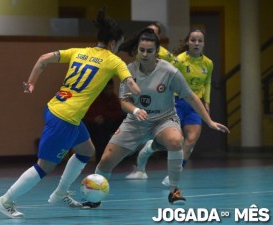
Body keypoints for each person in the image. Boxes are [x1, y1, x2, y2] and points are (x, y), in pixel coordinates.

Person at [0, 7, 140, 219]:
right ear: (111, 43)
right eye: (118, 44)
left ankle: (60, 193)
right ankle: (5, 200)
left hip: (56, 109)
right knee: (45, 166)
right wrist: (137, 91)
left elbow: (44, 58)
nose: (117, 49)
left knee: (86, 151)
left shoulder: (78, 52)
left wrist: (31, 83)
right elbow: (130, 83)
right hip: (65, 118)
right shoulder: (113, 60)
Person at [94, 28, 229, 206]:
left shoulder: (170, 71)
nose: (144, 54)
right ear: (137, 50)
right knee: (105, 160)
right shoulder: (128, 70)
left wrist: (209, 121)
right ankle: (94, 196)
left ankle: (174, 190)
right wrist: (135, 110)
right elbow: (123, 102)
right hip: (136, 121)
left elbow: (191, 96)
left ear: (157, 52)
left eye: (149, 51)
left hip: (163, 119)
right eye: (141, 50)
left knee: (175, 140)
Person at [125, 28, 214, 185]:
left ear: (204, 44)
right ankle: (147, 151)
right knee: (174, 141)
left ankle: (174, 174)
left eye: (200, 40)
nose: (196, 43)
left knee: (191, 139)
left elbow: (207, 82)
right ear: (188, 42)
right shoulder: (179, 60)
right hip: (177, 102)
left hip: (195, 104)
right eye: (193, 40)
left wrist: (206, 101)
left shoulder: (208, 63)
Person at [83, 79, 126, 162]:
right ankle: (101, 158)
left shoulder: (112, 97)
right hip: (94, 126)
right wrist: (95, 119)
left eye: (111, 88)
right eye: (107, 89)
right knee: (100, 130)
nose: (109, 91)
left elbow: (118, 112)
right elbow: (86, 116)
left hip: (108, 123)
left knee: (125, 119)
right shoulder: (95, 98)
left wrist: (105, 115)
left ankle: (125, 155)